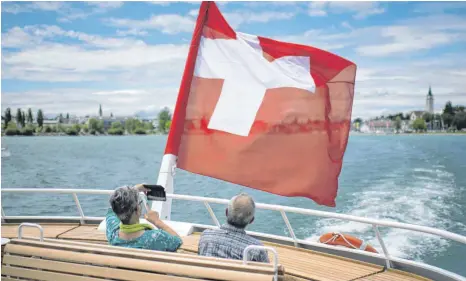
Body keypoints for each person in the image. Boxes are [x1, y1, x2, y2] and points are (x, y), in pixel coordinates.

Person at [106, 184, 182, 252]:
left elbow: (113, 208)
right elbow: (177, 241)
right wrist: (157, 221)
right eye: (140, 203)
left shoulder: (113, 234)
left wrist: (134, 190)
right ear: (137, 210)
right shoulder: (156, 238)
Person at [198, 193, 269, 263]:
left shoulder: (206, 237)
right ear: (251, 220)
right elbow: (267, 272)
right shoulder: (257, 249)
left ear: (226, 212)